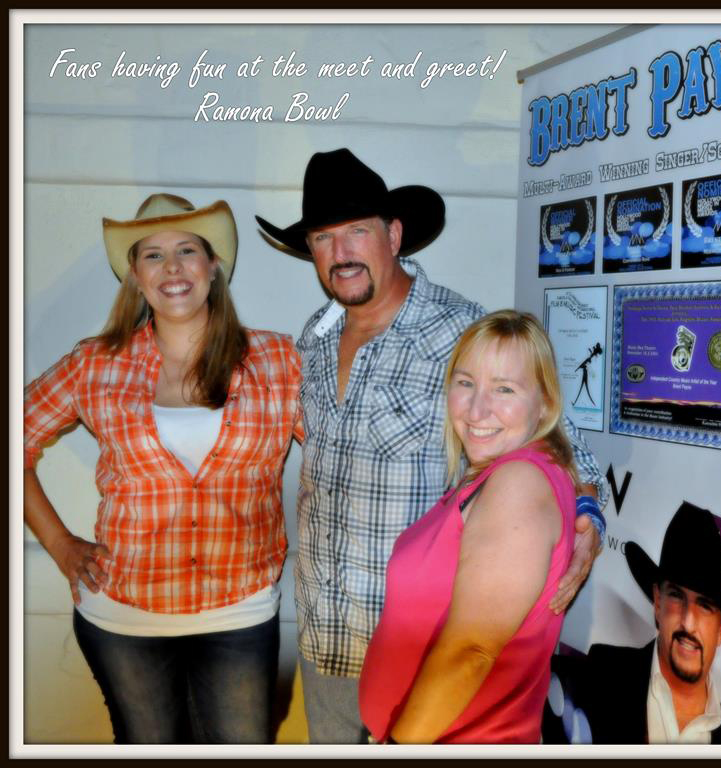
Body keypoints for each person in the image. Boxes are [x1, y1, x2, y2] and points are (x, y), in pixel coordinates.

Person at [255, 148, 608, 743]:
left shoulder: (458, 330)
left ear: (393, 235)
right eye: (323, 238)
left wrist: (589, 515)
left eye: (356, 231)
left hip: (422, 660)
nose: (340, 252)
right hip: (324, 642)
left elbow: (564, 444)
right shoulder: (313, 340)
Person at [24, 194, 301, 744]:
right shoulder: (94, 363)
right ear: (135, 275)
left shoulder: (276, 360)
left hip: (239, 613)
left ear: (213, 265)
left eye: (187, 250)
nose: (171, 268)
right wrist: (59, 544)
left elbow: (342, 446)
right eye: (152, 255)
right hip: (123, 617)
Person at [358, 310, 577, 743]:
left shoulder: (517, 484)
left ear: (545, 404)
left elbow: (471, 653)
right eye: (465, 383)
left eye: (504, 389)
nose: (477, 409)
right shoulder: (497, 471)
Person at [543, 501, 721, 744]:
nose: (688, 622)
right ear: (658, 602)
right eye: (677, 597)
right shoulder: (591, 680)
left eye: (705, 606)